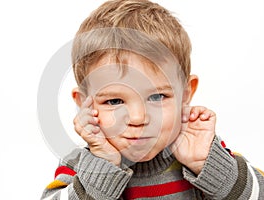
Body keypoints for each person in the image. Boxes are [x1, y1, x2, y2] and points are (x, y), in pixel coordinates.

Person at [41, 0, 264, 199]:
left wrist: (208, 166)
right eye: (114, 101)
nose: (138, 118)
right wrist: (102, 168)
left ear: (186, 95)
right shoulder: (78, 166)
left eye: (157, 96)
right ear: (83, 103)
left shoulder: (206, 156)